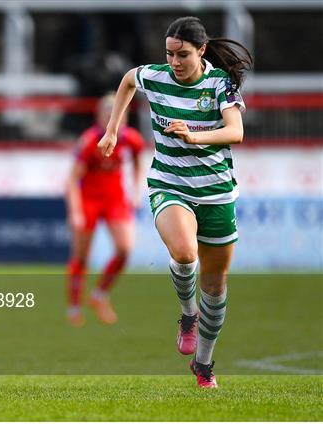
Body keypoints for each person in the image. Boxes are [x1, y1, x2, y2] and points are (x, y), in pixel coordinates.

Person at [98, 16, 253, 387]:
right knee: (185, 253)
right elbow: (127, 81)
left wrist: (194, 136)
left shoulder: (219, 83)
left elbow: (236, 131)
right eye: (169, 54)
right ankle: (187, 315)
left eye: (182, 55)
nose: (174, 63)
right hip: (169, 184)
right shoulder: (156, 75)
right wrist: (112, 129)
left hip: (216, 191)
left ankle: (203, 365)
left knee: (215, 287)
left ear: (201, 51)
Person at [65, 93, 144, 327]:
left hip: (115, 200)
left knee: (124, 248)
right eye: (106, 114)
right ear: (99, 117)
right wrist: (76, 210)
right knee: (81, 256)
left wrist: (136, 191)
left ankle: (99, 295)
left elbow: (139, 163)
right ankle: (74, 307)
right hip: (89, 199)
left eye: (116, 114)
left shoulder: (132, 139)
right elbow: (72, 179)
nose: (112, 119)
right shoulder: (89, 140)